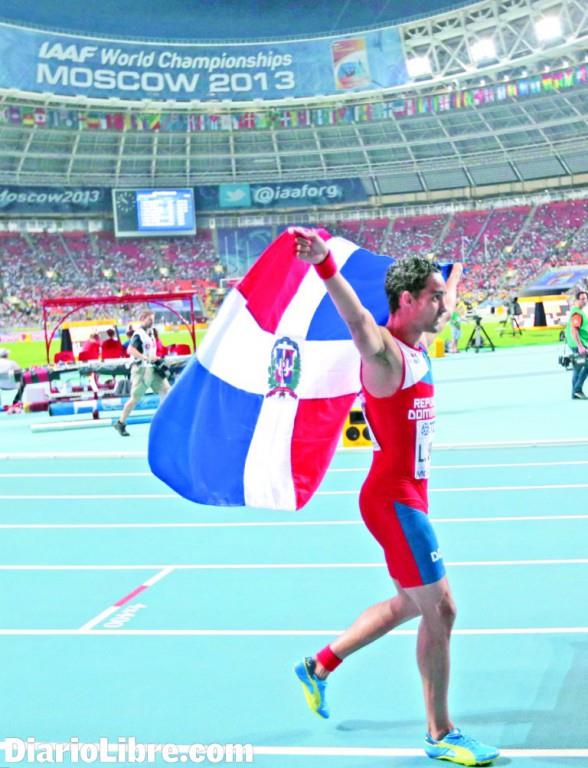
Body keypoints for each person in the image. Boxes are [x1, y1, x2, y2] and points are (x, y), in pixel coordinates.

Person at [291, 228, 499, 766]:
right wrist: (324, 263)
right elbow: (357, 319)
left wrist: (453, 275)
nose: (444, 306)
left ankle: (319, 665)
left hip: (409, 496)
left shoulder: (419, 341)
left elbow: (444, 307)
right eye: (433, 297)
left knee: (410, 603)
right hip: (394, 500)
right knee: (442, 610)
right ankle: (440, 733)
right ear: (406, 300)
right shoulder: (384, 355)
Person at [113, 311, 170, 436]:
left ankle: (163, 420)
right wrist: (145, 357)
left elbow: (149, 351)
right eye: (150, 319)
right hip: (142, 370)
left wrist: (155, 358)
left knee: (166, 390)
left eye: (153, 319)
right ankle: (120, 423)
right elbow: (130, 350)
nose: (152, 322)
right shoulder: (138, 334)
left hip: (152, 368)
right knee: (135, 398)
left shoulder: (151, 333)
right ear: (143, 318)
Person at [565, 290, 588, 400]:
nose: (585, 301)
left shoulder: (577, 311)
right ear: (577, 300)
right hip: (578, 344)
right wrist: (580, 346)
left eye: (586, 298)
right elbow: (574, 330)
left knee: (578, 367)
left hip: (577, 343)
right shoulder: (577, 313)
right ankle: (577, 390)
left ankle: (575, 393)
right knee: (583, 366)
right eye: (582, 299)